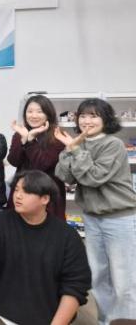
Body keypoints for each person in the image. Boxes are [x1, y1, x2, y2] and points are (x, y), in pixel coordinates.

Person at [0, 170, 91, 325]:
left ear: (45, 199)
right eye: (16, 190)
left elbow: (75, 288)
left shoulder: (67, 236)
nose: (18, 196)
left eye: (27, 191)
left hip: (49, 319)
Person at [55, 98, 136, 323]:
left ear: (105, 119)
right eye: (82, 116)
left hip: (119, 218)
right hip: (92, 217)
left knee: (124, 279)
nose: (87, 121)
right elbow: (64, 176)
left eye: (93, 116)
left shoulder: (113, 144)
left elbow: (94, 177)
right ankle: (105, 320)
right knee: (97, 276)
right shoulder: (79, 144)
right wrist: (68, 150)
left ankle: (125, 321)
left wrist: (75, 150)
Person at [7, 94, 66, 219]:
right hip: (22, 190)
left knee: (46, 227)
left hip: (46, 193)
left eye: (39, 112)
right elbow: (13, 161)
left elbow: (43, 164)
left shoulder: (56, 135)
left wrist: (30, 141)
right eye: (30, 111)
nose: (34, 116)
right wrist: (24, 139)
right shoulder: (20, 133)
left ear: (48, 114)